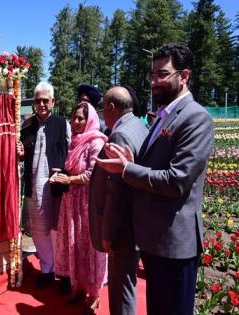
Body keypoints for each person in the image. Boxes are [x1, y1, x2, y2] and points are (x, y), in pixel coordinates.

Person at [96, 43, 214, 315]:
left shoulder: (196, 118)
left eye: (162, 74)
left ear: (184, 76)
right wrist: (133, 162)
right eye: (152, 75)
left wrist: (127, 169)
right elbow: (157, 167)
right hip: (155, 240)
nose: (154, 82)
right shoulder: (164, 116)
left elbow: (177, 180)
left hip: (174, 246)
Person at [90, 86, 148, 315]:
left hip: (122, 229)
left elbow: (117, 191)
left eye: (104, 109)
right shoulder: (138, 126)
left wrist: (108, 234)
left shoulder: (120, 134)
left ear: (111, 107)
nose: (104, 114)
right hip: (136, 222)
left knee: (120, 289)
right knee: (127, 284)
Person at [52, 102, 108, 315]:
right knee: (74, 245)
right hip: (71, 201)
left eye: (81, 118)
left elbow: (92, 174)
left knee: (89, 248)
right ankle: (79, 287)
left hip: (87, 203)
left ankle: (94, 295)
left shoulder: (95, 142)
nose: (76, 122)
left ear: (90, 120)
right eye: (74, 118)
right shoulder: (74, 141)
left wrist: (69, 179)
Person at [17, 81, 71, 288]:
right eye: (37, 100)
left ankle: (63, 271)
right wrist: (21, 154)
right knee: (39, 231)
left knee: (57, 230)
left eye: (44, 100)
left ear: (53, 102)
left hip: (55, 186)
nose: (41, 104)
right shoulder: (27, 125)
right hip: (34, 185)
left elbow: (70, 150)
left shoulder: (61, 123)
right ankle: (47, 268)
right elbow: (23, 153)